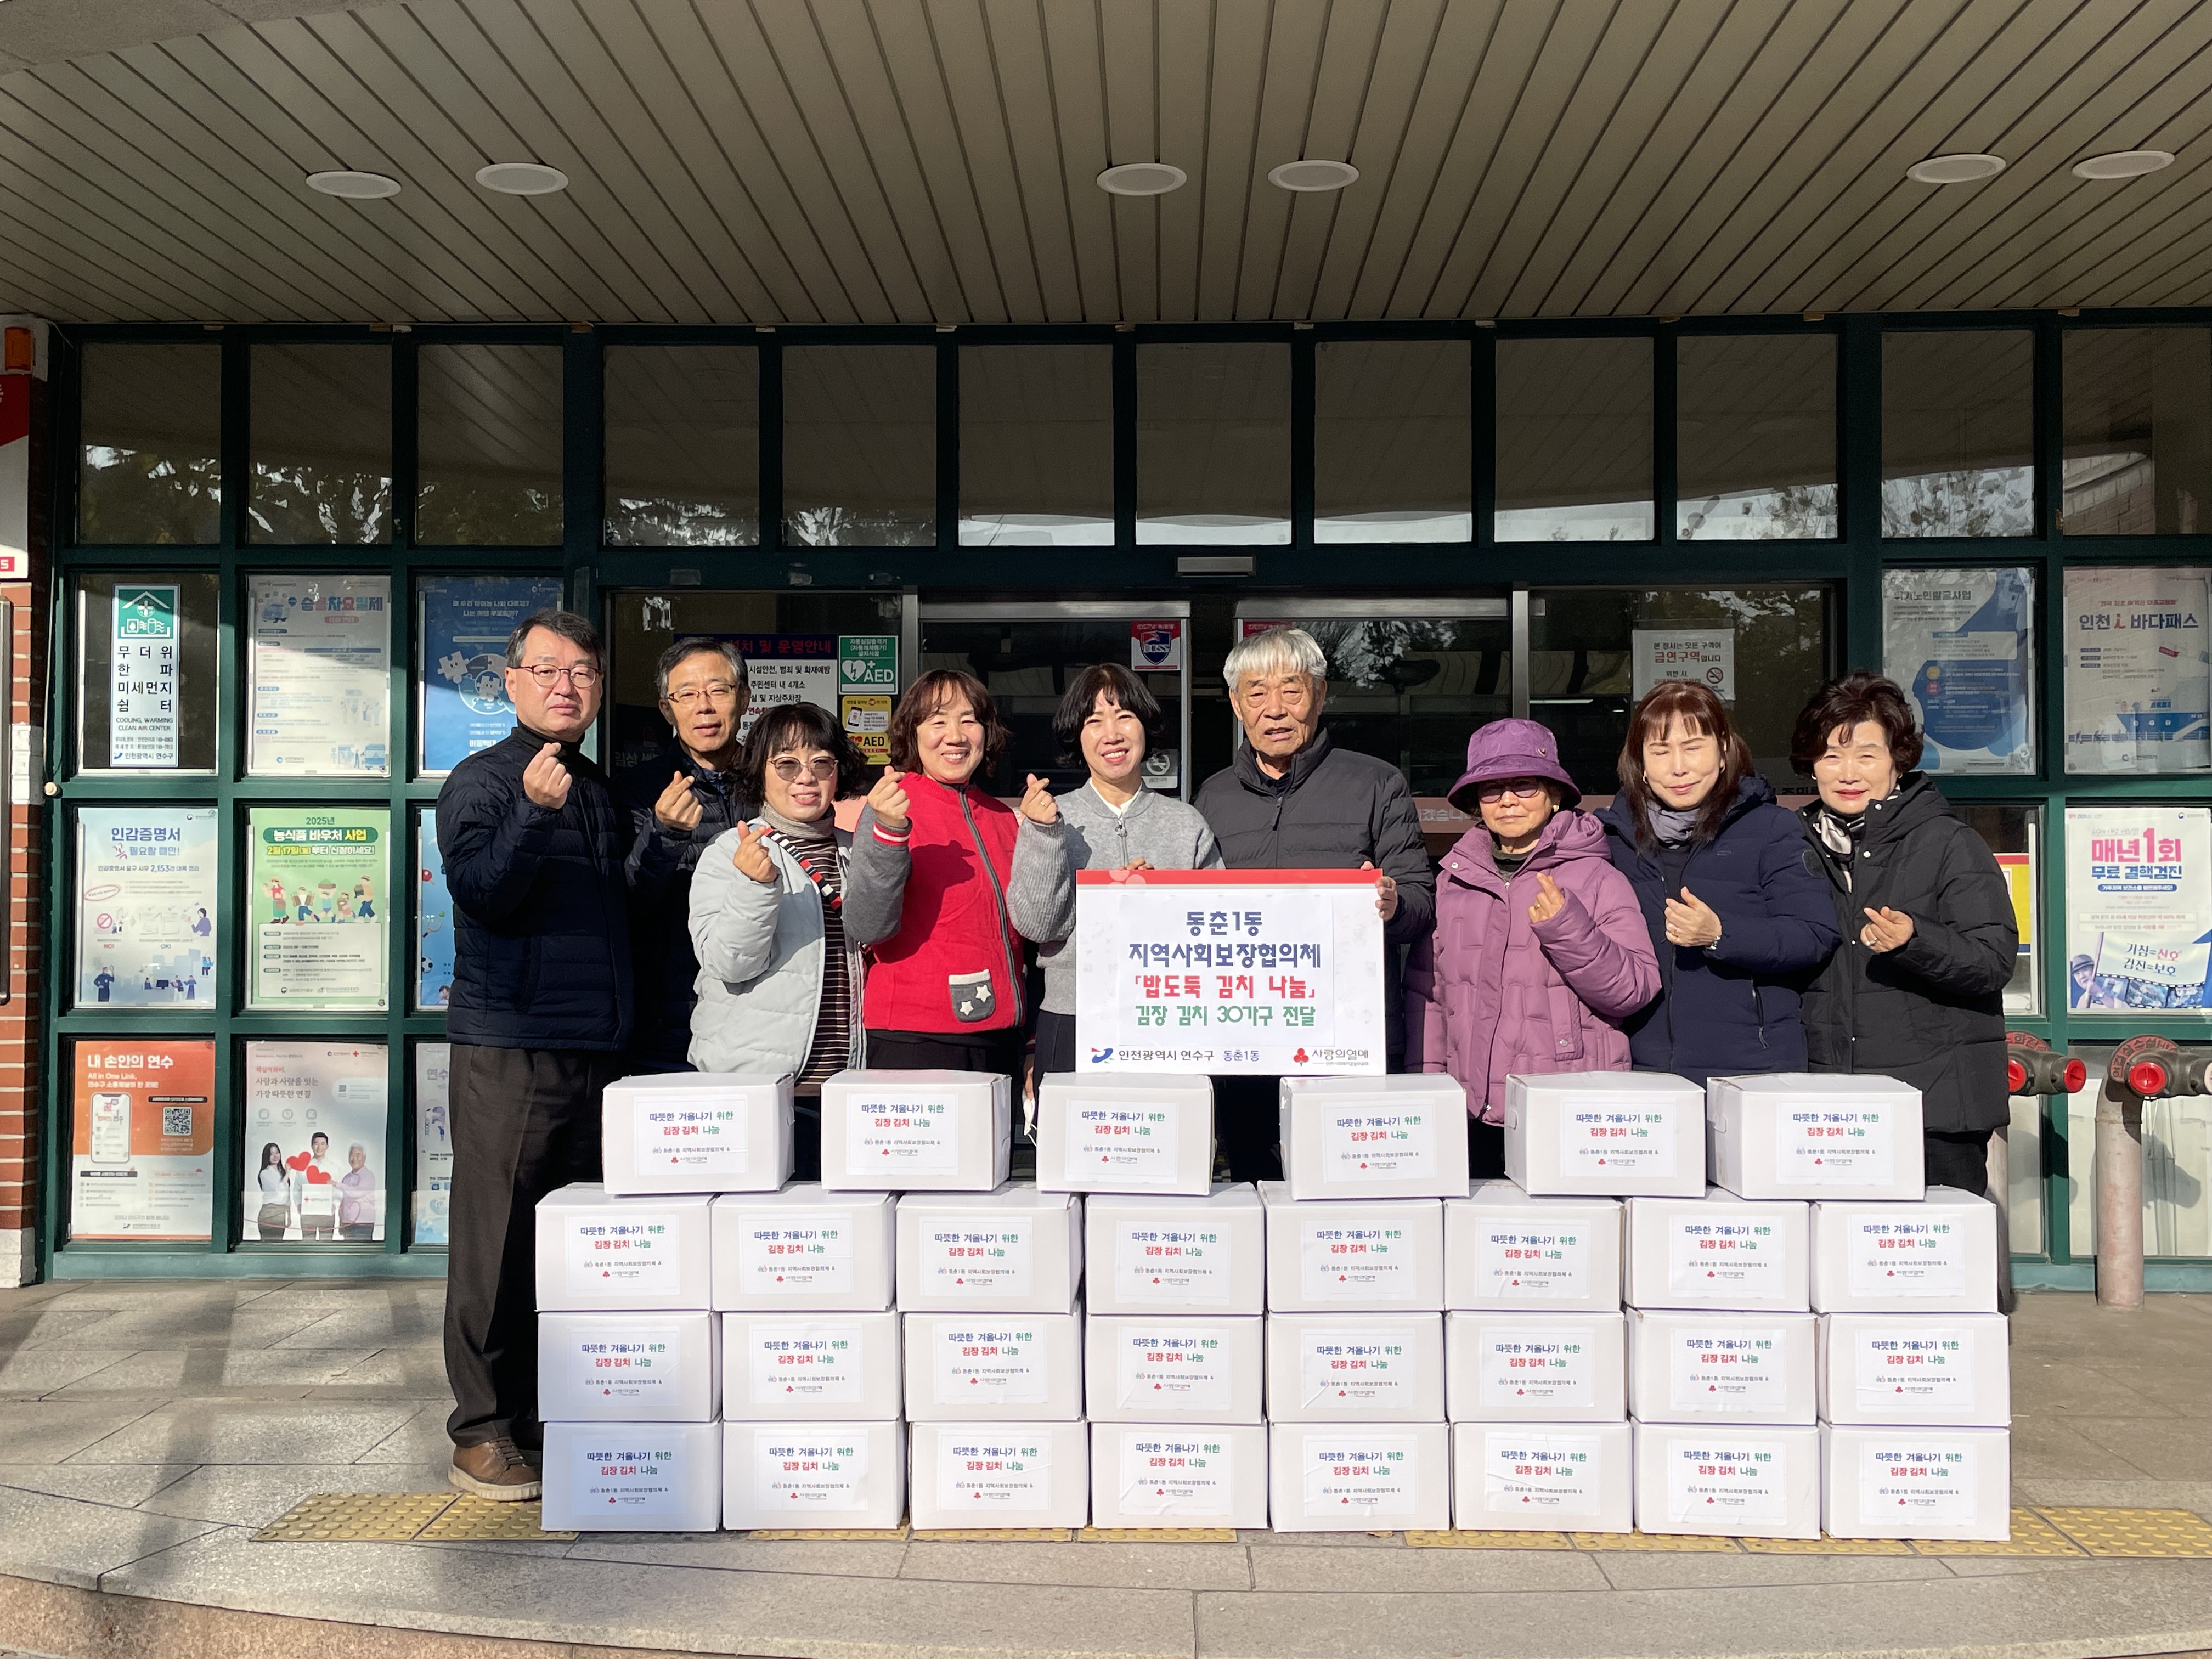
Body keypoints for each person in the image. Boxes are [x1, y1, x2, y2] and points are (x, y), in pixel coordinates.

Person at [433, 607, 633, 1502]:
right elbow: (482, 893)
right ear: (512, 681)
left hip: (592, 1047)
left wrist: (663, 843)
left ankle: (541, 1414)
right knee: (496, 1241)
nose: (567, 684)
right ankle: (479, 1428)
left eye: (584, 671)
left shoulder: (593, 785)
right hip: (509, 1044)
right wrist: (528, 812)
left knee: (564, 1245)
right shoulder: (482, 780)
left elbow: (619, 908)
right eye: (547, 669)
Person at [1193, 627, 1435, 1181]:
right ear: (1235, 703)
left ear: (1320, 695)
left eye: (1292, 691)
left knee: (1347, 1189)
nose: (1274, 709)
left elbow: (1421, 902)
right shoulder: (1212, 796)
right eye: (1256, 693)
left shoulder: (1376, 784)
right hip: (1244, 1038)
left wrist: (1392, 902)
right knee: (1253, 1189)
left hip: (1346, 1036)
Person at [1792, 672, 2018, 1201]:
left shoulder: (1949, 843)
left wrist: (1917, 940)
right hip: (1829, 1111)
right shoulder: (1793, 846)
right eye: (1831, 756)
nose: (1848, 773)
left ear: (1898, 760)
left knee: (1935, 1267)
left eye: (1867, 756)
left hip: (1933, 1110)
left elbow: (1993, 959)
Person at [1405, 719, 1660, 1177]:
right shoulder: (1451, 882)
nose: (1507, 800)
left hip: (1569, 1109)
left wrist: (1568, 929)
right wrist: (1429, 1097)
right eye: (1491, 788)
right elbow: (1429, 999)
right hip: (1468, 1115)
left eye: (1523, 785)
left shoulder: (1598, 877)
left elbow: (1635, 990)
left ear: (1554, 793)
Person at [1596, 681, 1839, 1084]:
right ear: (1639, 762)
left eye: (1693, 747)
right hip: (1641, 1073)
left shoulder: (1771, 829)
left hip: (1754, 1073)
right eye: (1660, 751)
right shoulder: (1612, 839)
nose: (1678, 767)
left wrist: (1720, 935)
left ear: (1724, 751)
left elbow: (1814, 934)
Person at [845, 669, 1060, 1091]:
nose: (955, 735)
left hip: (998, 1034)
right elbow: (867, 925)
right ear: (913, 732)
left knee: (989, 1158)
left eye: (969, 720)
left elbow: (1032, 936)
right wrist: (889, 832)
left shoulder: (1004, 818)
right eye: (937, 720)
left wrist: (1033, 1038)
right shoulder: (891, 805)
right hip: (913, 1037)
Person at [689, 702, 872, 1178]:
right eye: (786, 764)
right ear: (761, 774)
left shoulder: (860, 851)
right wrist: (754, 886)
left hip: (851, 1091)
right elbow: (728, 964)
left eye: (821, 763)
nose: (805, 778)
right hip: (757, 1093)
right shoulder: (731, 851)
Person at [1018, 663, 1223, 1081]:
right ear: (1078, 735)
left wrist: (1155, 903)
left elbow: (1216, 931)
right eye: (1094, 721)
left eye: (1124, 716)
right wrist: (1045, 837)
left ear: (1145, 728)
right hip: (1072, 1015)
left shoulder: (1187, 823)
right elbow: (1037, 926)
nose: (1111, 734)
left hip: (1169, 1015)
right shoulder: (1051, 816)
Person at [621, 640, 751, 1073]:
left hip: (763, 1016)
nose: (705, 708)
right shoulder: (639, 789)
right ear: (666, 708)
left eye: (718, 690)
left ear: (745, 698)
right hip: (672, 1018)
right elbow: (629, 904)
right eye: (688, 694)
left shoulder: (776, 782)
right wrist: (665, 833)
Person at [292, 1131, 337, 1240]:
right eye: (316, 1144)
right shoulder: (304, 1168)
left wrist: (335, 1205)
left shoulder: (334, 1168)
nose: (319, 1147)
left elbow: (338, 1190)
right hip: (308, 1214)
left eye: (323, 1144)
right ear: (312, 1146)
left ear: (327, 1146)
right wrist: (299, 1205)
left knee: (326, 1246)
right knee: (308, 1244)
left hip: (327, 1214)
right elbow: (297, 1189)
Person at [337, 1144, 378, 1241]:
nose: (354, 1158)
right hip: (347, 1225)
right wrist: (341, 1223)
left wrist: (337, 1185)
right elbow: (343, 1203)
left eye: (358, 1155)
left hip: (363, 1225)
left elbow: (357, 1193)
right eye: (352, 1155)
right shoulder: (346, 1178)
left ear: (365, 1158)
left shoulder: (368, 1176)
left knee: (362, 1254)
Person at [254, 1142, 290, 1240]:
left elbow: (287, 1196)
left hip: (281, 1215)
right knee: (268, 1245)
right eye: (271, 1154)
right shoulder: (265, 1173)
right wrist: (287, 1174)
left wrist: (289, 1216)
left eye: (277, 1152)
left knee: (278, 1244)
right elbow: (278, 1191)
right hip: (269, 1213)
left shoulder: (282, 1172)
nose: (275, 1156)